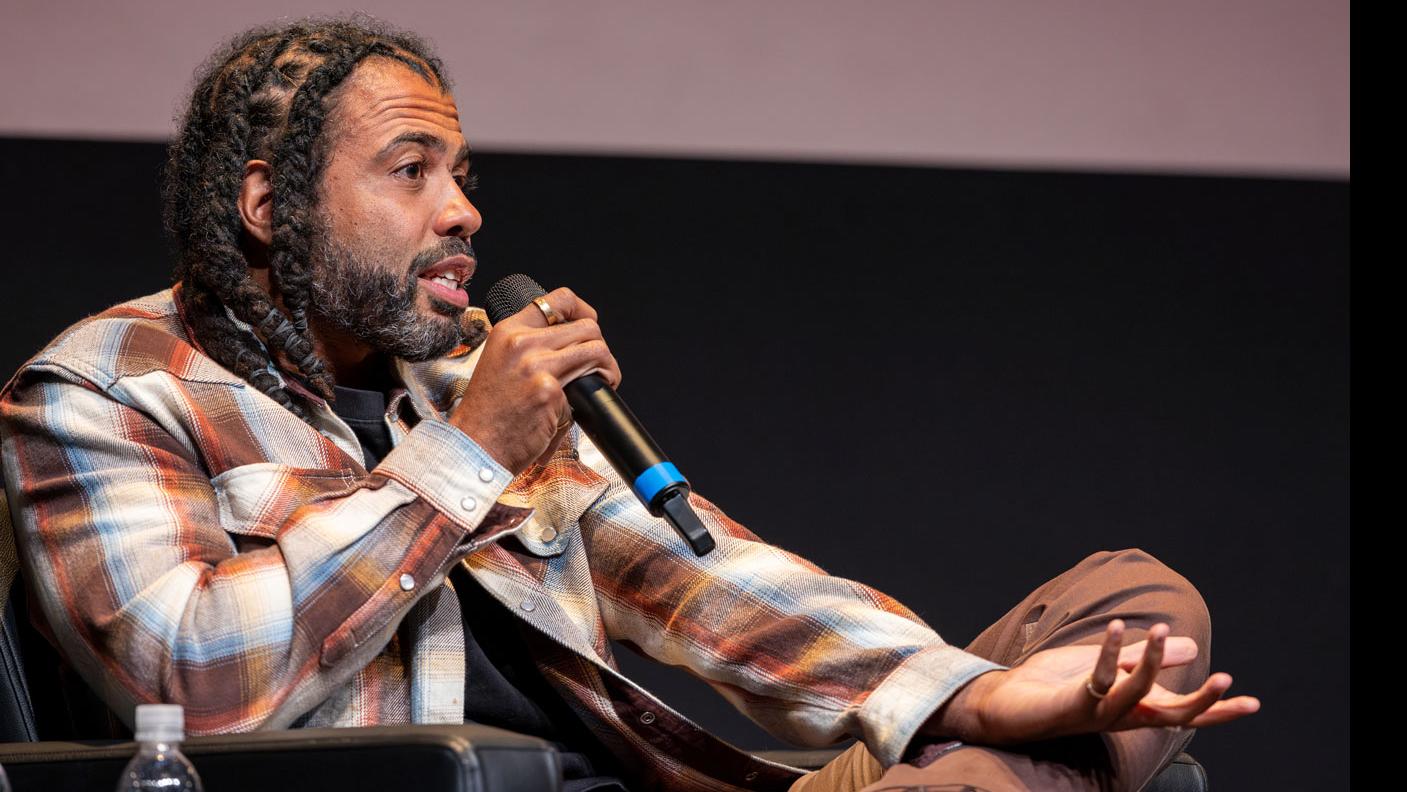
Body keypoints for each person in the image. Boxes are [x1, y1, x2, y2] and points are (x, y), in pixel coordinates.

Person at [0, 18, 1257, 792]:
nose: (464, 211)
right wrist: (460, 458)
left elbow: (705, 585)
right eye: (411, 170)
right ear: (269, 207)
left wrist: (974, 694)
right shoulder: (105, 389)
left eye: (464, 174)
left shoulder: (463, 373)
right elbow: (192, 682)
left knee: (1142, 608)